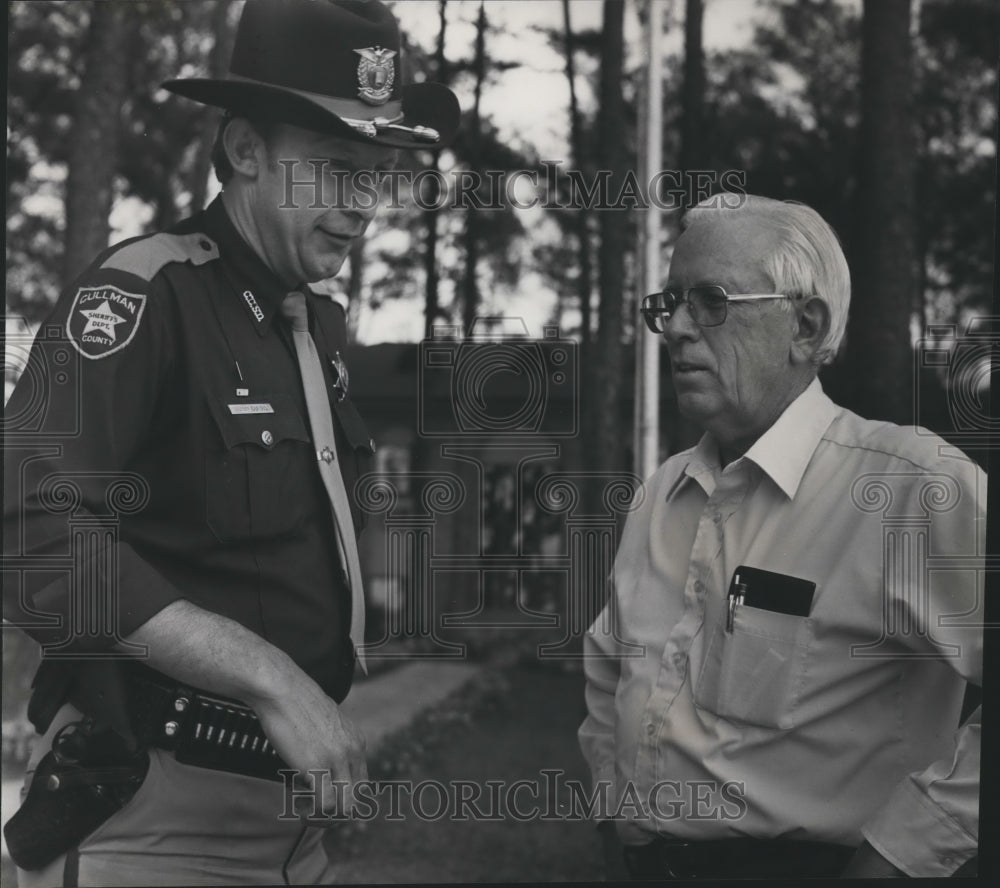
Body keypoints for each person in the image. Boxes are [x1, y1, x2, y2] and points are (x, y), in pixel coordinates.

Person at [2, 1, 458, 885]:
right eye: (335, 169)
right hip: (150, 824)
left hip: (290, 837)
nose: (362, 205)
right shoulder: (146, 295)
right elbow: (24, 522)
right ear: (246, 150)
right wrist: (269, 678)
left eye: (377, 175)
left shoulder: (307, 328)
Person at [579, 195, 983, 880]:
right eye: (669, 302)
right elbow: (609, 670)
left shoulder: (911, 488)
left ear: (805, 324)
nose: (676, 328)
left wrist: (902, 853)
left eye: (710, 300)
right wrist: (608, 818)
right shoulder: (661, 494)